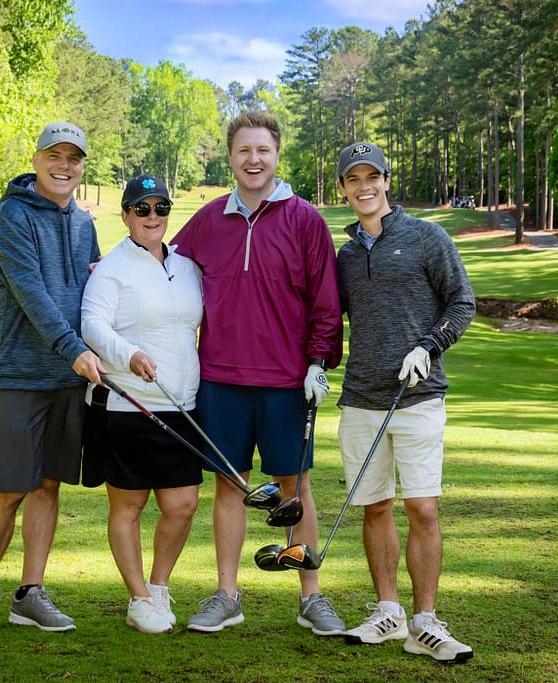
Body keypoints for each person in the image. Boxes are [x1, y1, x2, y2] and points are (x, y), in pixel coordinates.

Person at [171, 111, 345, 636]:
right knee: (230, 486)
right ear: (230, 157)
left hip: (287, 382)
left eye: (263, 150)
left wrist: (318, 362)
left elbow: (326, 302)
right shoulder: (208, 220)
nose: (254, 159)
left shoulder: (306, 220)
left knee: (295, 489)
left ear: (276, 155)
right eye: (244, 150)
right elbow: (161, 264)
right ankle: (227, 595)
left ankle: (311, 596)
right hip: (220, 379)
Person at [0, 122, 106, 640]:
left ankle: (30, 594)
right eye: (54, 156)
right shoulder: (11, 218)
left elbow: (94, 293)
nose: (64, 166)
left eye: (74, 158)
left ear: (82, 166)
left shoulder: (84, 223)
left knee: (48, 484)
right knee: (10, 487)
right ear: (37, 160)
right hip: (19, 374)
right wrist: (75, 350)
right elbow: (32, 294)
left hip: (67, 378)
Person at [334, 141, 476, 662]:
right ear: (343, 188)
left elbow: (462, 302)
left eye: (372, 176)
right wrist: (314, 365)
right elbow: (327, 318)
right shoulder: (346, 256)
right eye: (354, 179)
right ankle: (388, 613)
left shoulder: (427, 237)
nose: (364, 187)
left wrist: (428, 346)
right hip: (361, 399)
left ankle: (425, 622)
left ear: (387, 181)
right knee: (375, 507)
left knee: (422, 506)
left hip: (418, 396)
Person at [80, 174, 204, 634]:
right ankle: (138, 598)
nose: (153, 216)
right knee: (129, 506)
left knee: (182, 505)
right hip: (129, 405)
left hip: (182, 404)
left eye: (161, 207)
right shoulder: (111, 269)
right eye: (143, 208)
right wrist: (128, 355)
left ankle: (159, 586)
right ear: (126, 215)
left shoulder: (186, 267)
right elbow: (92, 323)